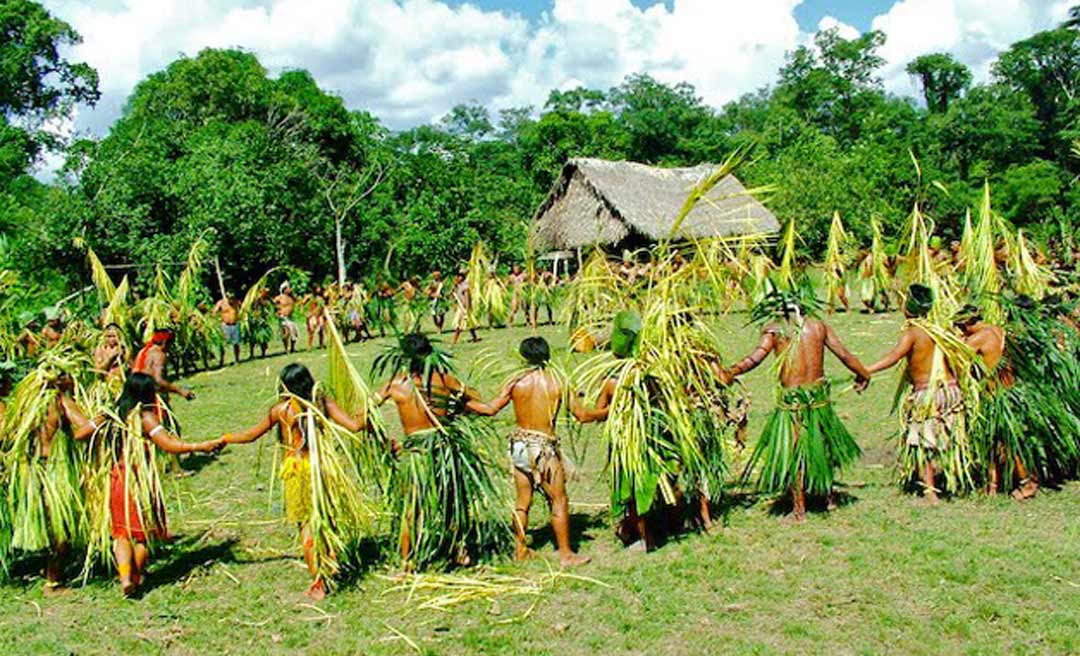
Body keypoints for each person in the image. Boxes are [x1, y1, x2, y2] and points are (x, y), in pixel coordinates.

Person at [721, 286, 869, 522]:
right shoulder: (818, 326)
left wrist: (730, 372)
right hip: (817, 396)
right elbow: (845, 355)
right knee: (822, 443)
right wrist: (863, 374)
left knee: (795, 451)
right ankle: (827, 498)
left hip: (794, 402)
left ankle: (799, 510)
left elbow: (756, 357)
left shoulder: (775, 329)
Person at [221, 364, 367, 600]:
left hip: (297, 470)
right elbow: (354, 425)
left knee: (306, 526)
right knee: (326, 519)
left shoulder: (282, 409)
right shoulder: (322, 402)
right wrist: (373, 406)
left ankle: (319, 581)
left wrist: (225, 438)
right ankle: (331, 562)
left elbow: (250, 436)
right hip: (323, 468)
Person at [373, 333, 503, 568]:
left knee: (411, 508)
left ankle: (407, 562)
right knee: (452, 502)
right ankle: (459, 551)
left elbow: (367, 411)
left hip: (417, 454)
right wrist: (454, 405)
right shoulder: (445, 380)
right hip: (444, 450)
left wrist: (381, 438)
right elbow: (474, 397)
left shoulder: (395, 385)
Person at [470, 337, 589, 567]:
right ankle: (566, 554)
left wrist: (462, 403)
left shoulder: (516, 382)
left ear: (524, 357)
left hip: (519, 447)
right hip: (543, 450)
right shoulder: (558, 381)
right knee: (559, 500)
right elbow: (581, 415)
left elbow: (490, 408)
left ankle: (520, 548)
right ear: (548, 355)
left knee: (523, 501)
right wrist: (606, 411)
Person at [107, 373, 223, 596]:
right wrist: (200, 446)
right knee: (142, 533)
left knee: (121, 533)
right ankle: (137, 576)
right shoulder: (146, 417)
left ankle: (124, 578)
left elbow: (84, 433)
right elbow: (169, 445)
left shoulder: (114, 413)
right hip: (140, 479)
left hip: (118, 477)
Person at [866, 284, 965, 503]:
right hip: (951, 392)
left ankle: (930, 491)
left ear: (907, 307)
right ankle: (951, 481)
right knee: (946, 438)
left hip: (927, 395)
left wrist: (866, 370)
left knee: (922, 442)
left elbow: (894, 356)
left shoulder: (912, 333)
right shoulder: (938, 330)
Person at [132, 329, 195, 402]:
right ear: (165, 342)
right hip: (151, 396)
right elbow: (158, 380)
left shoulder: (143, 351)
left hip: (135, 394)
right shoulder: (159, 354)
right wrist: (180, 391)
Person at [451, 271, 480, 345]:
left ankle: (454, 340)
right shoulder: (458, 286)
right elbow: (453, 297)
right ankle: (474, 337)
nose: (457, 278)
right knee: (468, 324)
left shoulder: (465, 287)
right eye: (457, 277)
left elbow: (467, 298)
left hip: (464, 308)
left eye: (459, 277)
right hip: (460, 307)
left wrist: (467, 310)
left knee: (460, 324)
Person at [213, 294, 241, 365]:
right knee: (223, 343)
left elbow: (242, 308)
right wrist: (217, 319)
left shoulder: (236, 302)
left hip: (235, 325)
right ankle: (222, 361)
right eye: (230, 298)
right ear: (227, 297)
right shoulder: (221, 303)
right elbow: (214, 312)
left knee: (236, 343)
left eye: (232, 298)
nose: (231, 300)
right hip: (225, 326)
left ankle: (237, 359)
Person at [274, 282, 300, 354]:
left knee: (294, 333)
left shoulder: (291, 297)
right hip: (283, 318)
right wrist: (277, 313)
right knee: (287, 332)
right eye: (288, 288)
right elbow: (275, 305)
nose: (290, 289)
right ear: (284, 289)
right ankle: (286, 349)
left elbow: (299, 301)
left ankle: (292, 348)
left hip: (291, 318)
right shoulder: (279, 298)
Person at [304, 285, 326, 351]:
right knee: (311, 331)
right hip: (312, 316)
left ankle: (321, 344)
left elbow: (322, 307)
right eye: (317, 288)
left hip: (319, 316)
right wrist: (307, 313)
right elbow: (302, 303)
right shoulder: (310, 297)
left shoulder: (321, 298)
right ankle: (309, 345)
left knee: (321, 331)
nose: (319, 289)